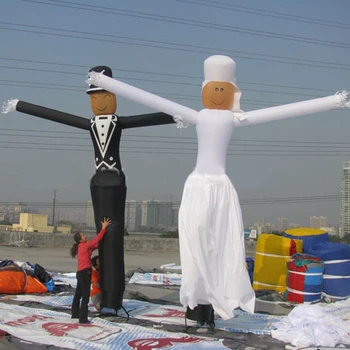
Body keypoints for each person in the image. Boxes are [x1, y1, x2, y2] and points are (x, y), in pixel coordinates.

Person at [87, 55, 349, 324]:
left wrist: (333, 101)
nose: (218, 94)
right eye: (214, 88)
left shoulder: (233, 119)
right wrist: (103, 81)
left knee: (219, 246)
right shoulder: (199, 116)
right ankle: (195, 306)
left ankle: (209, 310)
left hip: (221, 188)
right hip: (199, 185)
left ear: (232, 92)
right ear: (204, 89)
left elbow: (281, 111)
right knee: (196, 243)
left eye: (224, 89)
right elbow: (153, 99)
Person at [2, 65, 175, 311]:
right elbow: (57, 116)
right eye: (95, 98)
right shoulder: (91, 123)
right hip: (97, 181)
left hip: (114, 180)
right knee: (102, 232)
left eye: (106, 97)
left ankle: (113, 299)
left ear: (114, 98)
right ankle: (102, 297)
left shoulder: (118, 122)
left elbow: (150, 118)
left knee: (113, 235)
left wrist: (183, 114)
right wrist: (19, 105)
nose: (101, 103)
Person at [70, 217, 111, 323]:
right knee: (84, 297)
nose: (85, 236)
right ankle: (83, 319)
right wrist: (104, 228)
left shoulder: (81, 247)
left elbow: (96, 245)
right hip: (85, 273)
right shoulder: (85, 246)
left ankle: (75, 314)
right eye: (83, 235)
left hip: (80, 273)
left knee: (78, 295)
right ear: (80, 239)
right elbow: (96, 240)